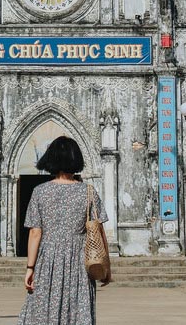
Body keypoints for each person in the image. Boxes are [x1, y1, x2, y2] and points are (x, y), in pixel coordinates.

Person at [17, 136, 110, 325]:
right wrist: (106, 267)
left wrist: (30, 268)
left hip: (47, 261)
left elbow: (35, 232)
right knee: (78, 309)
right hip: (79, 261)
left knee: (44, 309)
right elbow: (99, 231)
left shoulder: (40, 192)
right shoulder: (88, 192)